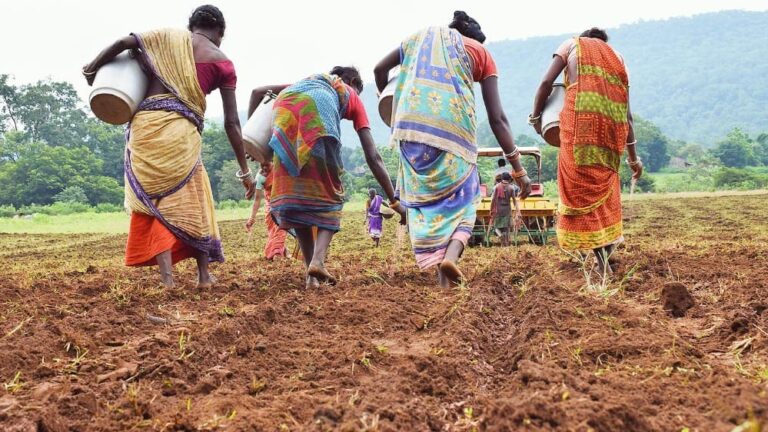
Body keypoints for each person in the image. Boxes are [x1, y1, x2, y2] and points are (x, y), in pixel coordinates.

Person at [82, 5, 254, 289]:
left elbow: (124, 42)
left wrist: (91, 69)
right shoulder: (223, 63)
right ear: (221, 33)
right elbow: (232, 123)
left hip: (145, 128)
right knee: (194, 197)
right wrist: (244, 170)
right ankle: (203, 276)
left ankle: (167, 279)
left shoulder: (166, 39)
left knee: (156, 203)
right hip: (180, 133)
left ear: (191, 26)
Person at [374, 10, 531, 287]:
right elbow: (497, 119)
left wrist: (390, 103)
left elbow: (378, 70)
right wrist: (518, 169)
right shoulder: (479, 52)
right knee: (467, 203)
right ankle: (451, 259)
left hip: (411, 134)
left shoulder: (417, 39)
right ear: (475, 38)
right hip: (454, 137)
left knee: (427, 206)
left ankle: (443, 281)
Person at [249, 67, 406, 289]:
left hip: (283, 118)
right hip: (316, 121)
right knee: (333, 197)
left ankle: (310, 277)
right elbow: (373, 156)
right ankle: (318, 260)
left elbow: (257, 92)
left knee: (299, 205)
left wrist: (258, 149)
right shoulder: (347, 91)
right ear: (351, 82)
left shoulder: (305, 82)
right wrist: (395, 201)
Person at [530, 27, 642, 275]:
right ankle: (606, 254)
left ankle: (602, 263)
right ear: (604, 43)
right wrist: (634, 159)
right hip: (610, 135)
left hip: (578, 128)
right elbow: (627, 115)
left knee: (580, 193)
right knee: (605, 192)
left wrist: (536, 117)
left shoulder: (571, 45)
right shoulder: (618, 58)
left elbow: (546, 83)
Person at [245, 162, 288, 259]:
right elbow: (257, 199)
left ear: (272, 162)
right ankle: (282, 250)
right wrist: (252, 218)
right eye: (262, 165)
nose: (264, 168)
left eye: (267, 165)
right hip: (270, 207)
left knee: (280, 229)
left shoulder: (280, 169)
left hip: (282, 205)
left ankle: (277, 254)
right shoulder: (260, 177)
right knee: (273, 232)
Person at [490, 172, 521, 247]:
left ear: (502, 178)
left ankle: (500, 236)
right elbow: (514, 200)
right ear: (509, 179)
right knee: (506, 229)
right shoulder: (511, 188)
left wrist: (491, 210)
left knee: (496, 227)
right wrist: (518, 210)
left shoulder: (496, 187)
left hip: (498, 210)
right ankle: (505, 244)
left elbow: (493, 199)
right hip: (507, 210)